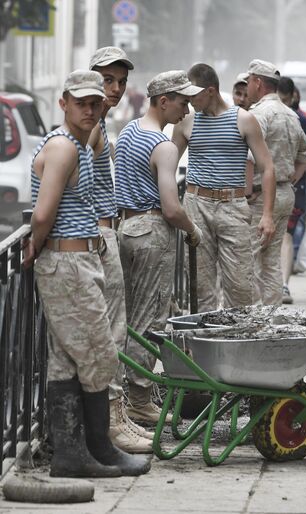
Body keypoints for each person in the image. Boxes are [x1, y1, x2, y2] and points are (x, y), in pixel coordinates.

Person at [25, 70, 150, 477]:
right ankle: (99, 448)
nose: (91, 109)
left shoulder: (77, 145)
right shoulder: (63, 147)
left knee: (67, 360)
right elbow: (43, 213)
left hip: (74, 260)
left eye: (96, 103)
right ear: (63, 103)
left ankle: (71, 456)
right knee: (100, 355)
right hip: (67, 262)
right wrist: (33, 248)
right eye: (82, 103)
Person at [115, 70, 203, 425]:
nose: (187, 109)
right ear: (163, 101)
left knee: (129, 317)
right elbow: (170, 206)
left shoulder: (128, 132)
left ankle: (122, 394)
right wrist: (192, 228)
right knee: (150, 318)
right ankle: (138, 399)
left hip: (127, 228)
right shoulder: (164, 146)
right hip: (153, 231)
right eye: (183, 102)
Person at [87, 46, 154, 454]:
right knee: (109, 334)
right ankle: (112, 423)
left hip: (105, 233)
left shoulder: (101, 123)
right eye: (107, 80)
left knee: (112, 329)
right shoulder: (90, 127)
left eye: (120, 82)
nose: (114, 88)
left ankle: (117, 416)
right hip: (96, 236)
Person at [172, 63, 276, 313]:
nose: (189, 101)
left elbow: (267, 167)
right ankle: (202, 345)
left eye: (193, 95)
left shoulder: (243, 119)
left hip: (233, 206)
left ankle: (238, 342)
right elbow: (167, 165)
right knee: (199, 286)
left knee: (240, 285)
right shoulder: (186, 121)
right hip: (196, 204)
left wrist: (267, 215)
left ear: (210, 91)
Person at [246, 59, 306, 305]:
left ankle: (252, 318)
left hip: (261, 197)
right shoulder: (290, 114)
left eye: (249, 82)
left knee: (250, 259)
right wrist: (291, 178)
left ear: (257, 83)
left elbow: (250, 156)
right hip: (285, 192)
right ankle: (271, 316)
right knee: (272, 261)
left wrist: (247, 190)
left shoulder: (258, 115)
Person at [276, 76, 306, 304]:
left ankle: (283, 285)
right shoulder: (263, 116)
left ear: (293, 97)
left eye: (285, 99)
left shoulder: (301, 121)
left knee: (286, 234)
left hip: (293, 187)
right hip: (267, 186)